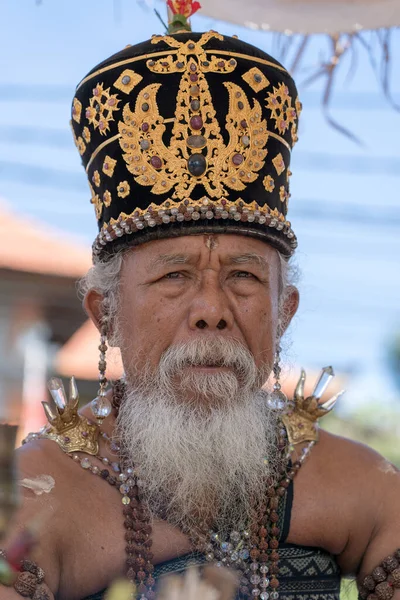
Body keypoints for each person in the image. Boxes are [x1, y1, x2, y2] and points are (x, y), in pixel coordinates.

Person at [1, 3, 400, 600]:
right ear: (103, 313)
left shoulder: (361, 483)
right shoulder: (35, 493)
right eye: (174, 277)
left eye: (243, 276)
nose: (211, 309)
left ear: (284, 311)